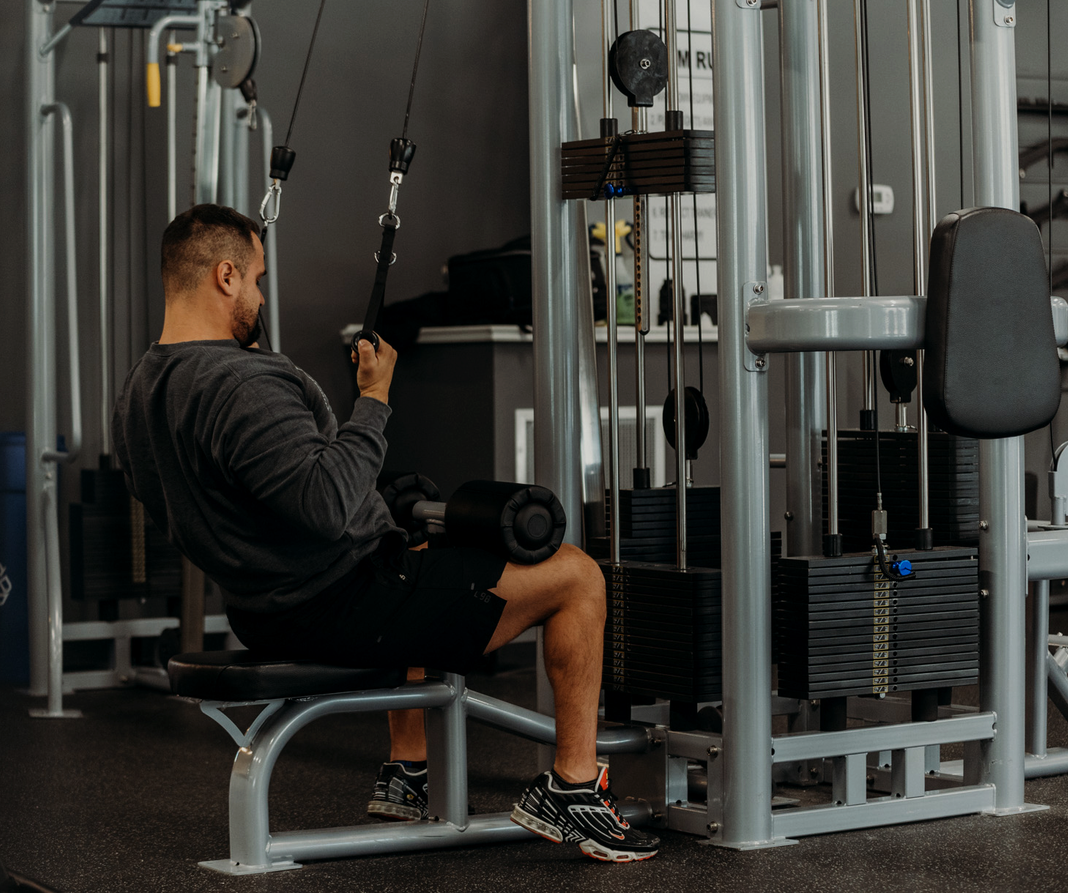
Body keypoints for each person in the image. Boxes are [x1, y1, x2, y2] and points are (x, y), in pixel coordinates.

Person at [113, 204, 659, 863]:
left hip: (263, 610)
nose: (259, 294)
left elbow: (167, 494)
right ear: (224, 277)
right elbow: (329, 505)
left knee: (420, 544)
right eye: (256, 279)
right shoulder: (242, 384)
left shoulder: (141, 388)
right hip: (346, 605)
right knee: (577, 576)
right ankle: (571, 789)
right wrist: (373, 400)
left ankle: (407, 771)